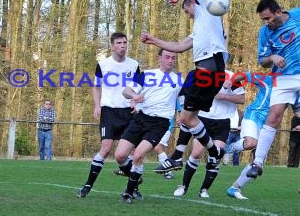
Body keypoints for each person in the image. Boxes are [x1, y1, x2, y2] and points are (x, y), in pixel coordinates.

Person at [141, 0, 228, 175]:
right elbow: (180, 46)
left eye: (186, 11)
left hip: (207, 71)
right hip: (214, 74)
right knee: (188, 119)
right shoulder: (200, 28)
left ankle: (201, 153)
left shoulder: (205, 6)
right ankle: (185, 155)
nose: (187, 16)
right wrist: (154, 40)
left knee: (186, 116)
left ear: (191, 4)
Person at [244, 0, 300, 182]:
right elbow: (262, 61)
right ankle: (257, 163)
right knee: (274, 116)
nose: (266, 22)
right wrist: (272, 57)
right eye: (263, 19)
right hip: (283, 78)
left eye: (268, 18)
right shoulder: (265, 32)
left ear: (278, 12)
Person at [77, 32, 140, 199]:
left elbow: (137, 88)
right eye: (119, 43)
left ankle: (132, 187)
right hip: (109, 111)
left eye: (125, 42)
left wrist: (135, 101)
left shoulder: (134, 65)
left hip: (128, 112)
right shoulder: (103, 65)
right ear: (112, 46)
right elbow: (96, 87)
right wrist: (97, 105)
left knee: (129, 153)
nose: (123, 45)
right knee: (105, 149)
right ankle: (87, 186)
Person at [115, 49, 181, 203]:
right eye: (167, 57)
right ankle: (136, 179)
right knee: (119, 156)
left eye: (173, 58)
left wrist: (182, 116)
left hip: (160, 123)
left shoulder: (178, 80)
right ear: (159, 58)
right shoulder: (147, 74)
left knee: (138, 155)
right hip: (140, 119)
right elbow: (126, 91)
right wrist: (134, 96)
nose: (170, 60)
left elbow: (184, 102)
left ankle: (129, 193)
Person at [173, 70, 245, 198]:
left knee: (216, 157)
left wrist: (223, 96)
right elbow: (187, 94)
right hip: (202, 118)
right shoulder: (202, 75)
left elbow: (241, 99)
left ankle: (204, 189)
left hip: (222, 122)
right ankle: (183, 186)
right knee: (196, 153)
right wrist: (184, 114)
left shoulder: (231, 77)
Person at [226, 72, 272, 200]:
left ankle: (234, 188)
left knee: (258, 161)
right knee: (251, 143)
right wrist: (231, 80)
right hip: (253, 116)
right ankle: (230, 147)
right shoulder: (268, 80)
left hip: (269, 126)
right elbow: (244, 75)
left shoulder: (293, 89)